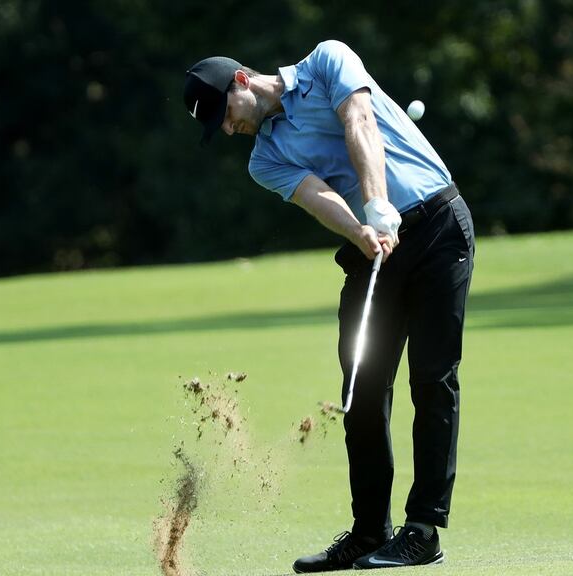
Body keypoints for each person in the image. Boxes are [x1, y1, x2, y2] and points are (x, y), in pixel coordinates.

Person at [182, 40, 474, 572]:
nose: (228, 130)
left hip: (437, 227)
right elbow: (317, 195)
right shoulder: (264, 160)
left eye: (224, 115)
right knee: (360, 386)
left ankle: (424, 529)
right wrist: (362, 227)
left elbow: (358, 121)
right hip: (372, 247)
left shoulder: (327, 61)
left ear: (241, 81)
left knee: (432, 379)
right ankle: (370, 532)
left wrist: (378, 199)